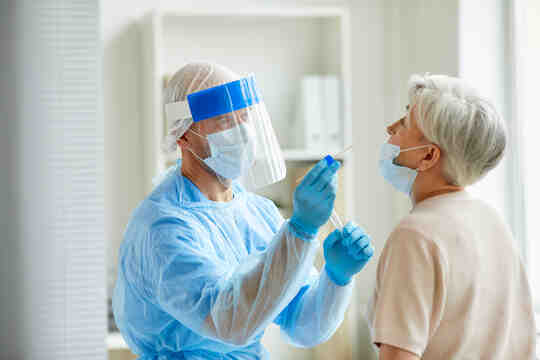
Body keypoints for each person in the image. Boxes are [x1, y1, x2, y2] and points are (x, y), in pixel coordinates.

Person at [113, 62, 374, 360]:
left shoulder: (256, 212)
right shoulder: (163, 226)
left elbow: (301, 325)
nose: (243, 133)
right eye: (224, 121)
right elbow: (230, 322)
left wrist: (336, 278)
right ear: (183, 135)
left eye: (244, 117)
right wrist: (300, 231)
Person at [367, 74, 537, 359]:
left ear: (428, 156)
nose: (390, 128)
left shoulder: (416, 235)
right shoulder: (493, 222)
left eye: (405, 122)